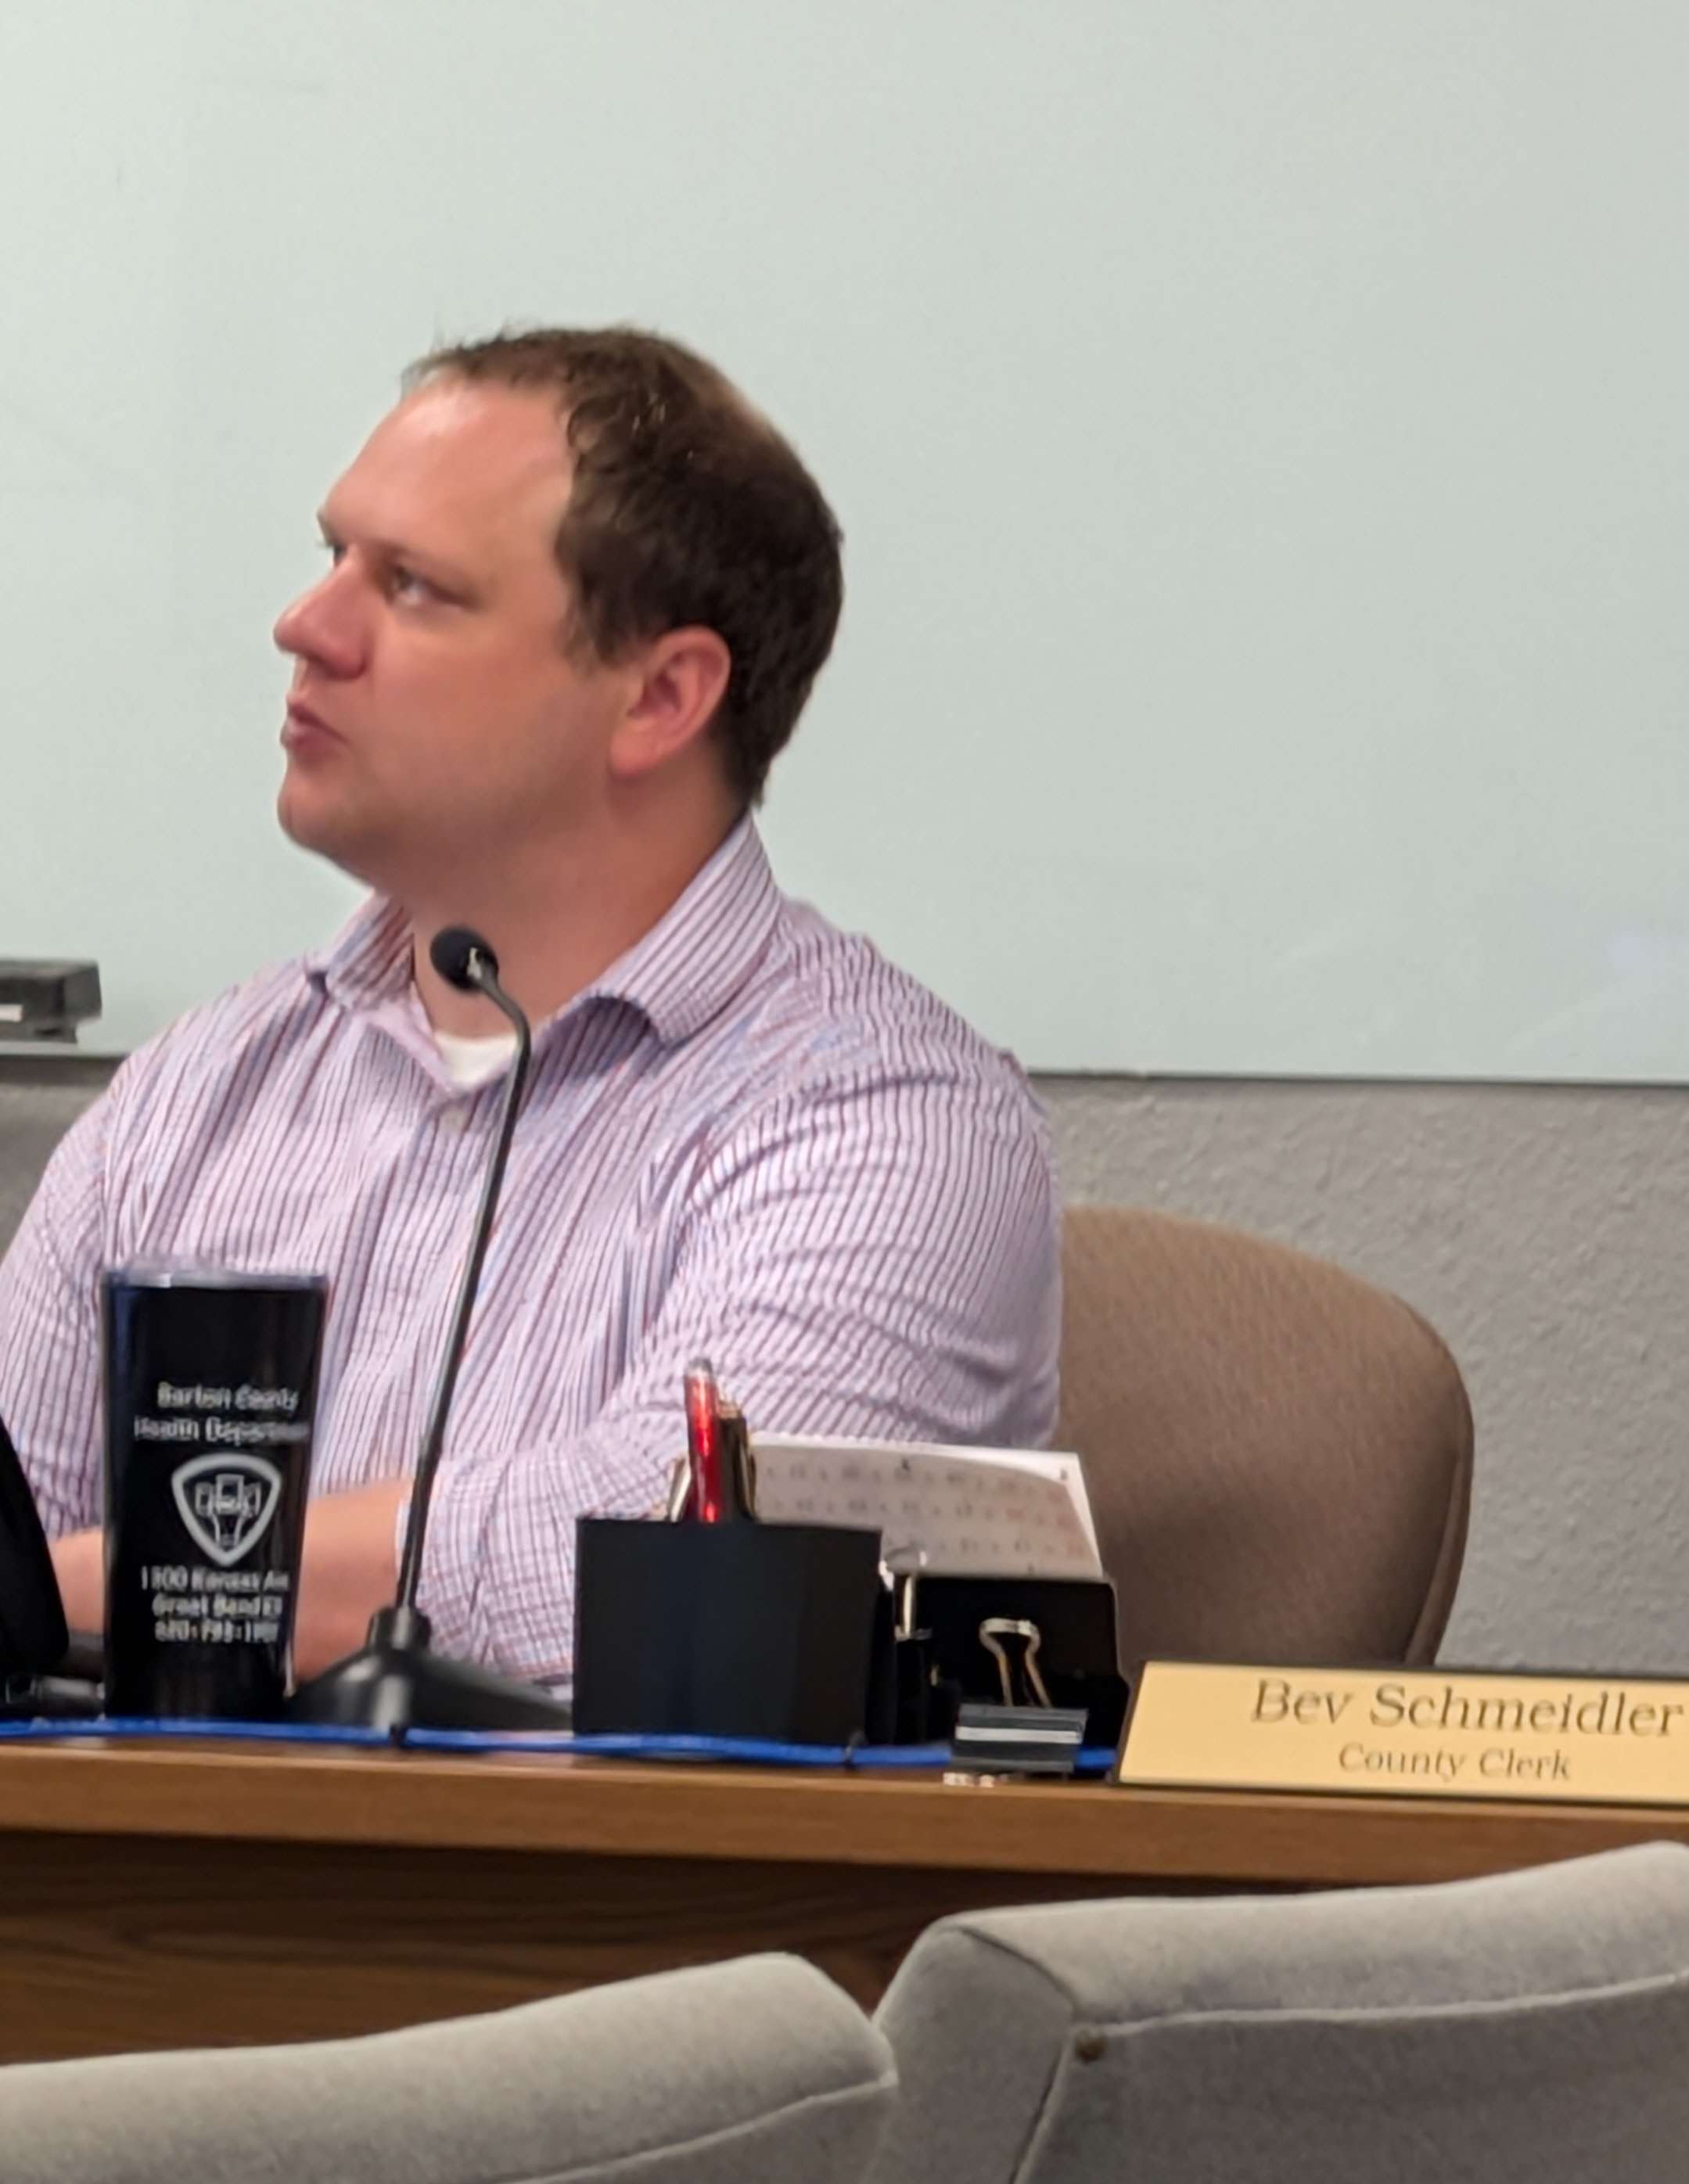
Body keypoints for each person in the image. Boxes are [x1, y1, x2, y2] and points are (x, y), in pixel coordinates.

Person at [7, 329, 1061, 1686]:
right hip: (141, 1895)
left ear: (660, 696)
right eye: (332, 556)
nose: (307, 625)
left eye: (413, 587)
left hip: (614, 1903)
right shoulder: (196, 1092)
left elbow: (672, 1550)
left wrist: (71, 1591)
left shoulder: (893, 1125)